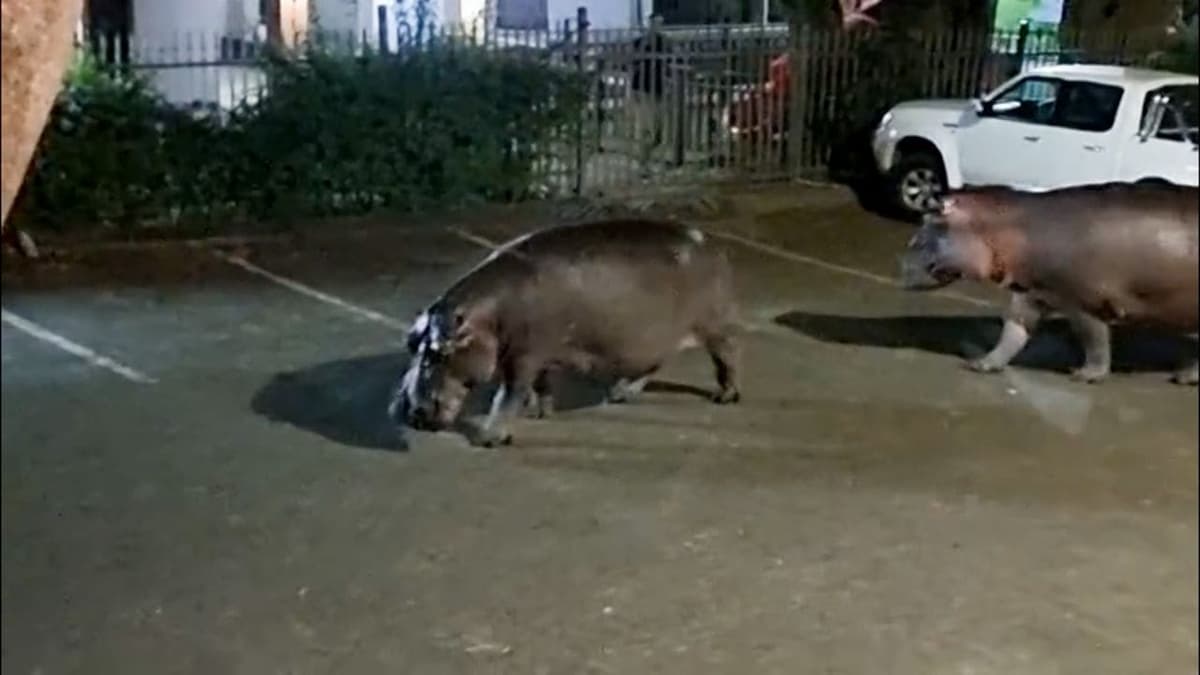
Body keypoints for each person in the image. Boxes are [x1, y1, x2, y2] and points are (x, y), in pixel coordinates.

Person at [627, 15, 673, 175]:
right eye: (654, 23)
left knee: (659, 132)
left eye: (660, 24)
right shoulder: (640, 42)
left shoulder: (665, 42)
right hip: (642, 88)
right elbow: (632, 62)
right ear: (649, 24)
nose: (657, 26)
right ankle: (643, 165)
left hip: (658, 88)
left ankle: (645, 160)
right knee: (647, 129)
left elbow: (669, 63)